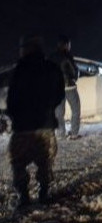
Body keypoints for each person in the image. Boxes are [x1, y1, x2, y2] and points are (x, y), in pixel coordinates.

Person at [6, 35, 65, 207]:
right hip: (45, 126)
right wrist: (47, 110)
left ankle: (24, 197)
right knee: (45, 162)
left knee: (18, 163)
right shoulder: (52, 68)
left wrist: (14, 116)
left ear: (28, 49)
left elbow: (12, 98)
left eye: (22, 48)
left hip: (22, 128)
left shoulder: (19, 69)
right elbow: (59, 95)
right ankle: (44, 194)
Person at [49, 35, 81, 139]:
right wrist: (75, 77)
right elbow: (73, 71)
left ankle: (61, 133)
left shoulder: (51, 57)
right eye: (69, 44)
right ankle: (74, 133)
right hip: (69, 87)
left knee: (59, 112)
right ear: (66, 45)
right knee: (75, 109)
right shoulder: (67, 56)